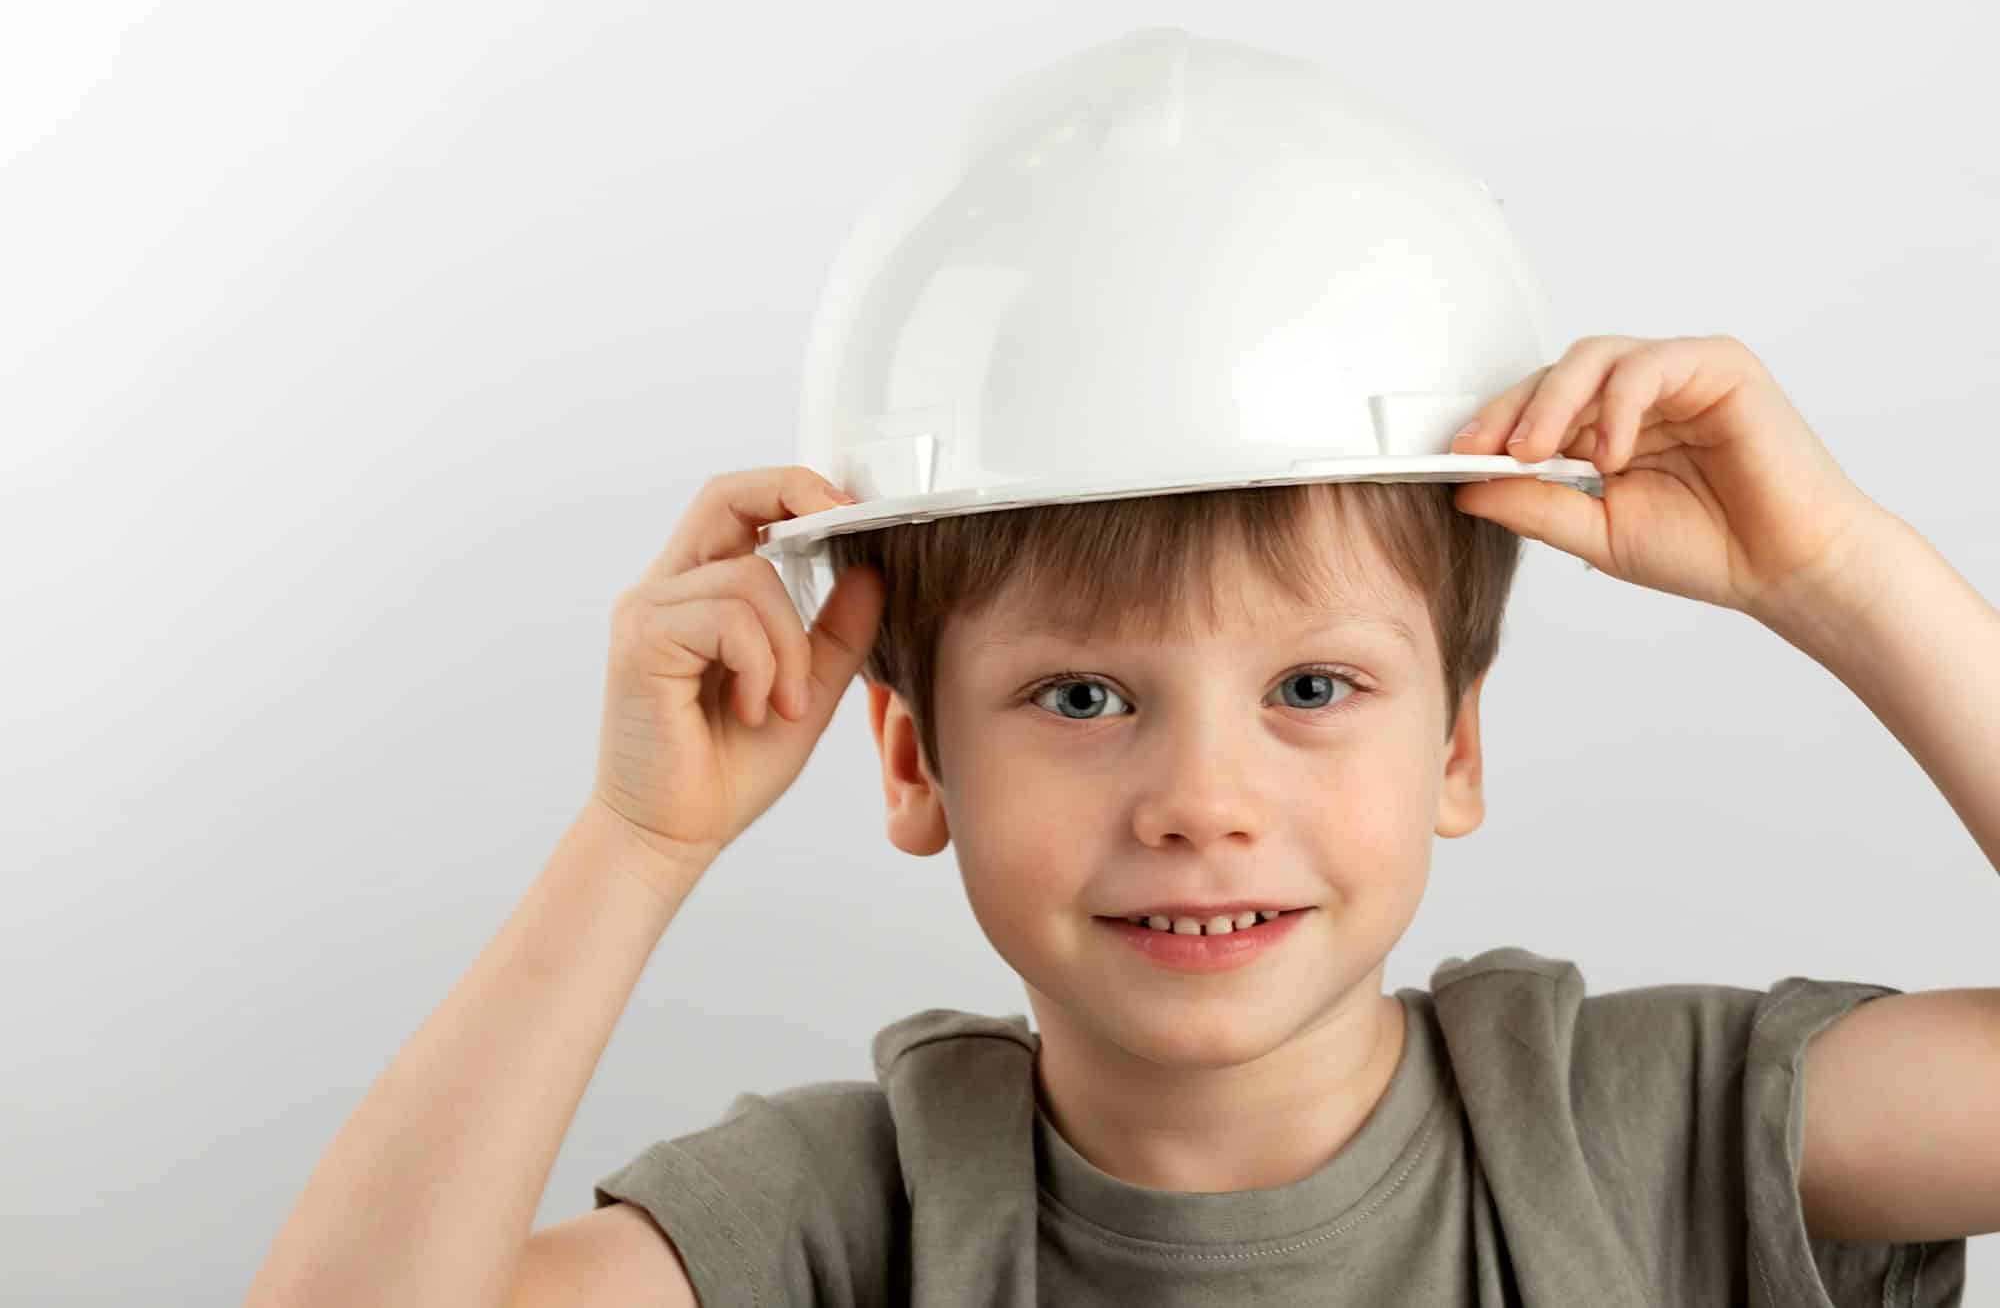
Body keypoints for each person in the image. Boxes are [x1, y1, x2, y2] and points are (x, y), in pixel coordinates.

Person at [243, 333, 1997, 1306]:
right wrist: (639, 845)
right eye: (1083, 697)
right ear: (916, 764)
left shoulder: (1636, 1133)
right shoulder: (853, 1219)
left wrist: (1837, 575)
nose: (1203, 806)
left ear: (1456, 748)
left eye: (1314, 688)